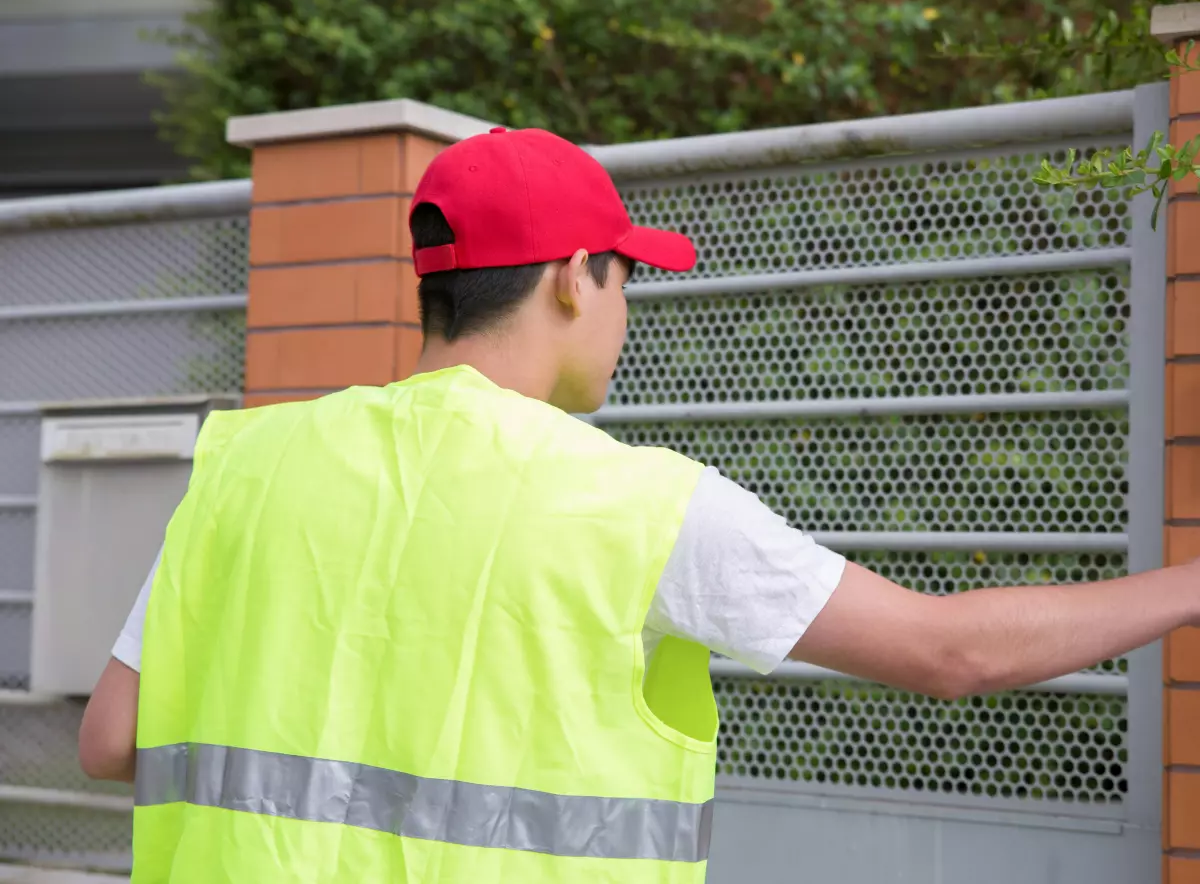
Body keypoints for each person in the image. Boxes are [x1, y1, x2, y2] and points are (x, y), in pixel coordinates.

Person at [80, 127, 1197, 884]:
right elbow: (951, 653)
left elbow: (110, 741)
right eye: (628, 277)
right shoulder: (634, 505)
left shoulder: (245, 466)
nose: (627, 310)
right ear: (575, 277)